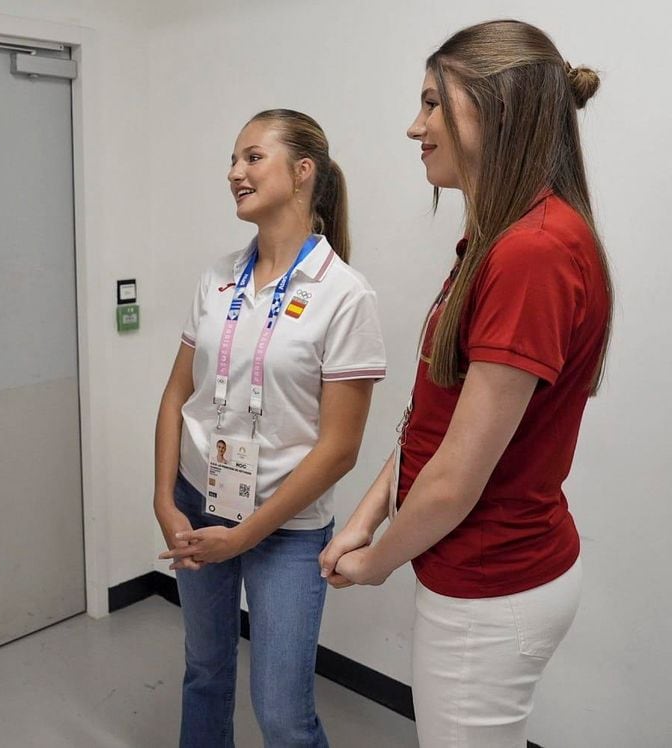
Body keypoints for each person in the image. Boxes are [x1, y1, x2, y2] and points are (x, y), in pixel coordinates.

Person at [318, 20, 613, 747]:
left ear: (498, 109)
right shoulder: (505, 238)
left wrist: (375, 563)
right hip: (487, 574)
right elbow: (436, 422)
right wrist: (368, 514)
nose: (414, 127)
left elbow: (455, 478)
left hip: (493, 586)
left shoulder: (533, 252)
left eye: (431, 104)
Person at [156, 109, 387, 747]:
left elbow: (341, 448)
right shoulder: (217, 277)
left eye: (252, 157)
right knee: (204, 670)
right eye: (233, 160)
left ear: (303, 171)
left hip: (285, 529)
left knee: (282, 713)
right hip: (196, 504)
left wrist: (247, 533)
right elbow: (179, 392)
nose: (235, 172)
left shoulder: (345, 295)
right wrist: (162, 499)